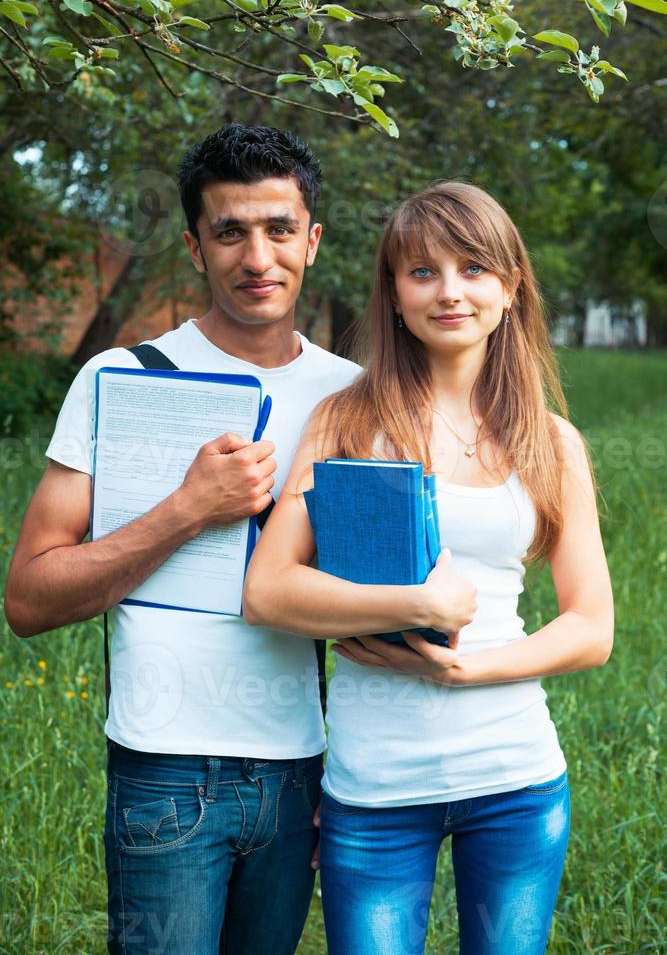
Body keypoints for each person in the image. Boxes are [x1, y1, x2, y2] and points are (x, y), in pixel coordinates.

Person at [5, 124, 360, 955]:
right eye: (229, 231)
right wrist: (188, 509)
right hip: (163, 771)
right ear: (195, 247)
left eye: (278, 229)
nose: (256, 256)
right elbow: (28, 599)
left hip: (300, 765)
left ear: (312, 240)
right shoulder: (120, 379)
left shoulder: (353, 396)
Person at [243, 181, 615, 955]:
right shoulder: (348, 422)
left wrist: (468, 672)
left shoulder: (552, 442)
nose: (449, 291)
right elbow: (269, 590)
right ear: (394, 295)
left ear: (509, 289)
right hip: (375, 787)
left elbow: (590, 629)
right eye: (422, 272)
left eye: (473, 269)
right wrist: (417, 602)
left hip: (515, 778)